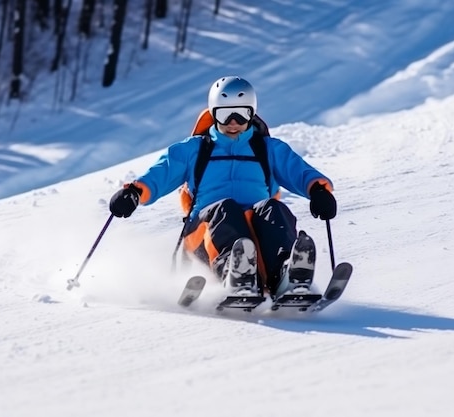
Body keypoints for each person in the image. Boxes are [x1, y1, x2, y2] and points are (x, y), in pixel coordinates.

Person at [109, 76, 337, 298]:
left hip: (255, 233)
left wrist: (318, 190)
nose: (233, 122)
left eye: (241, 114)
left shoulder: (268, 149)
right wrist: (134, 192)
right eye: (225, 114)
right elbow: (162, 172)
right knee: (226, 209)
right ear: (213, 113)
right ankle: (235, 272)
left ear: (252, 113)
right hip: (204, 232)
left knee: (273, 208)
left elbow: (298, 171)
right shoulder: (195, 149)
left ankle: (285, 276)